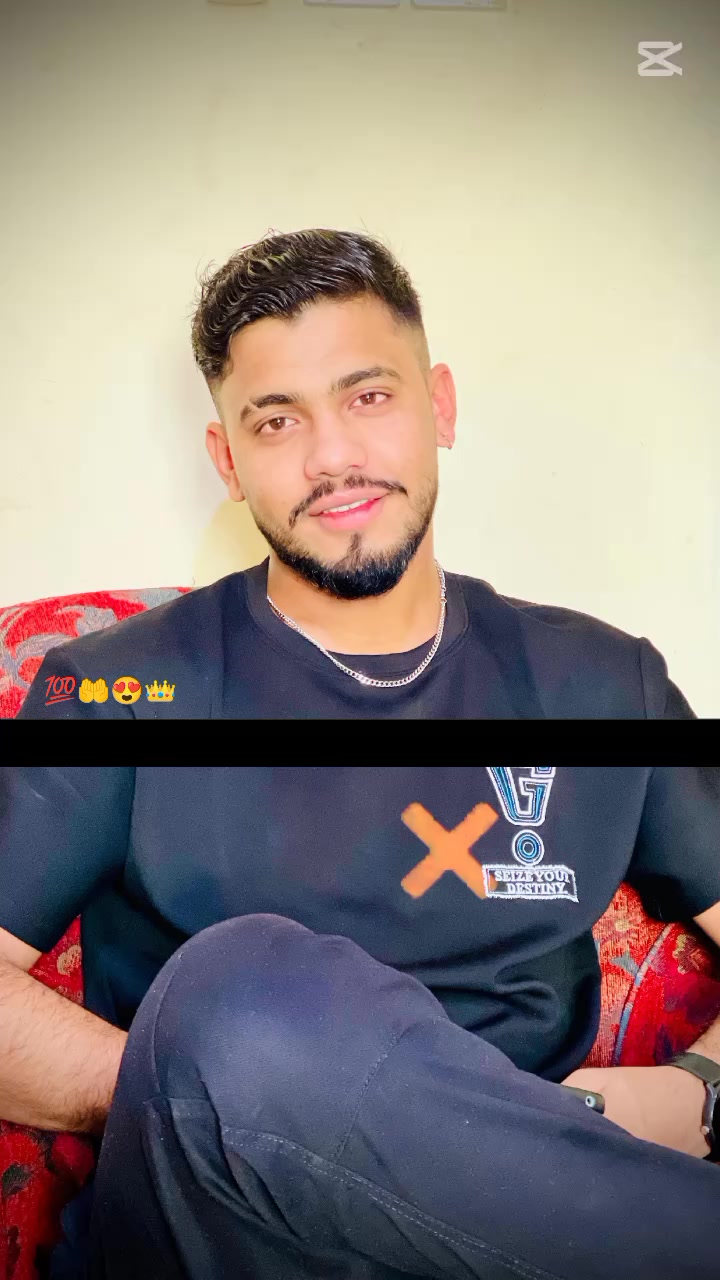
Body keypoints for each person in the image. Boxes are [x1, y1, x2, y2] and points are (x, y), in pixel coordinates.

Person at [0, 765, 719, 1280]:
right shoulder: (118, 686)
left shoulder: (600, 680)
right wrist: (196, 1086)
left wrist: (702, 1086)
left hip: (529, 1224)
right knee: (246, 997)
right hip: (219, 1227)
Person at [16, 228, 695, 720]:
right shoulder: (112, 694)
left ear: (440, 408)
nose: (334, 456)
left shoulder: (610, 687)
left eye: (368, 398)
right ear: (228, 462)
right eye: (278, 421)